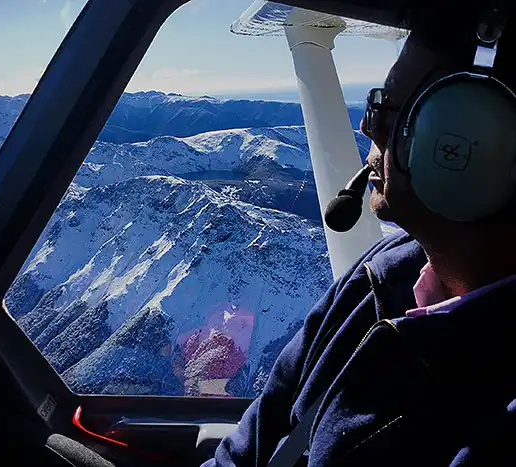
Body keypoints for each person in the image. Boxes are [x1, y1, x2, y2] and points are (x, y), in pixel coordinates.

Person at [204, 11, 516, 467]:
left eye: (388, 109)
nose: (368, 127)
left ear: (472, 138)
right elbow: (248, 448)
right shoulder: (378, 277)